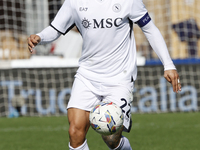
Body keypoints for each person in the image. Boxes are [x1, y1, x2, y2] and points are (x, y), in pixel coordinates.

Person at [27, 0, 182, 149]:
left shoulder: (128, 1)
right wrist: (40, 36)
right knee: (75, 132)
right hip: (87, 76)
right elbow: (56, 28)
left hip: (119, 78)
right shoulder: (74, 1)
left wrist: (168, 65)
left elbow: (150, 29)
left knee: (111, 139)